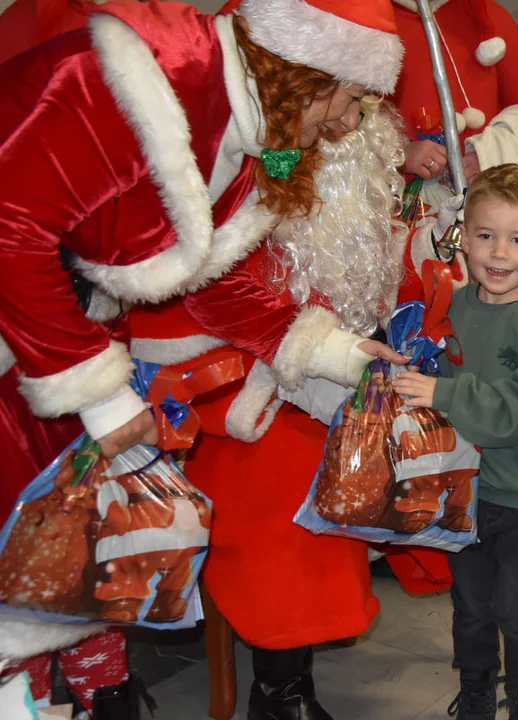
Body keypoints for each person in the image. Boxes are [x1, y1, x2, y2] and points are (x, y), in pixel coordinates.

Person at [0, 0, 406, 716]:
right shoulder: (129, 80)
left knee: (51, 556)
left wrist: (331, 351)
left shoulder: (247, 139)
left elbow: (209, 281)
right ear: (297, 70)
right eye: (348, 96)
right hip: (30, 339)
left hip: (55, 337)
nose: (349, 122)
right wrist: (99, 393)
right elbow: (11, 225)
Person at [393, 164, 518, 720]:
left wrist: (444, 392)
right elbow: (420, 374)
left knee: (517, 611)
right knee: (470, 607)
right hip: (461, 492)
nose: (499, 254)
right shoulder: (448, 304)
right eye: (486, 235)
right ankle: (475, 695)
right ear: (463, 236)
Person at [388, 0, 518, 325]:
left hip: (488, 212)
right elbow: (341, 121)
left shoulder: (486, 14)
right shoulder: (369, 16)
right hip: (399, 221)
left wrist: (487, 154)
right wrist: (399, 152)